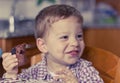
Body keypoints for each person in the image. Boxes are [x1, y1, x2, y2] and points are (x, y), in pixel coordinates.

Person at [2, 4, 104, 83]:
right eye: (64, 37)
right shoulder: (34, 72)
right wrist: (11, 74)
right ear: (43, 45)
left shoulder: (85, 71)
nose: (75, 43)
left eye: (79, 36)